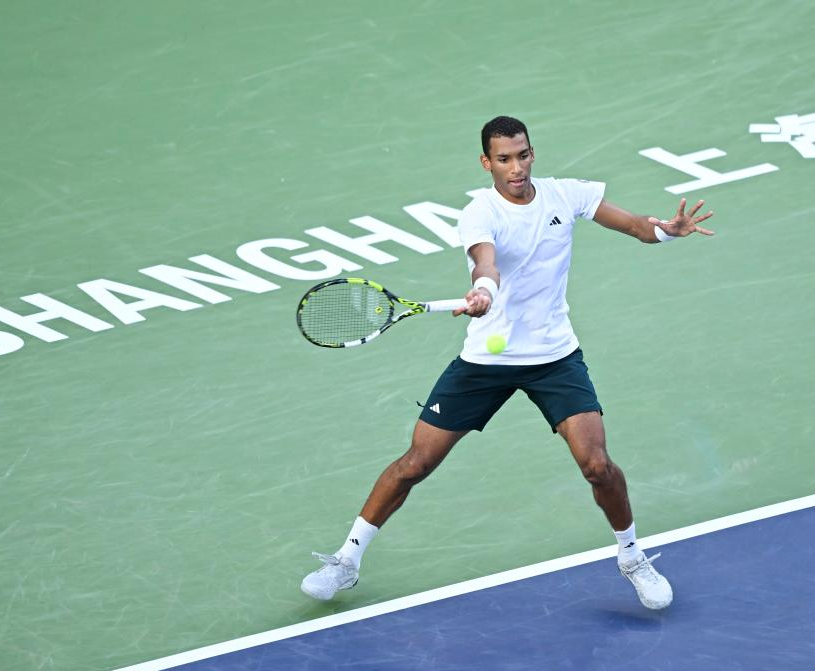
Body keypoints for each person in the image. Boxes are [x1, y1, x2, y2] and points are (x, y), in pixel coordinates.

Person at [301, 115, 714, 610]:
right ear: (486, 162)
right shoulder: (480, 212)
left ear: (532, 152)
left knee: (598, 466)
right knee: (415, 464)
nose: (516, 168)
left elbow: (634, 226)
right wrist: (483, 290)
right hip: (484, 361)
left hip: (554, 356)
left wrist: (667, 232)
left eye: (522, 155)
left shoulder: (566, 195)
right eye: (504, 159)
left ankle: (632, 557)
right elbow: (486, 262)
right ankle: (346, 560)